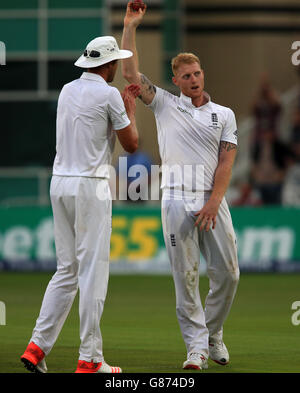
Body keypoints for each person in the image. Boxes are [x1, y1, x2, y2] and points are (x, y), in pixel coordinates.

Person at [121, 3, 239, 370]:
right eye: (186, 75)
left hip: (211, 200)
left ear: (203, 74)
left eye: (197, 73)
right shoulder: (165, 105)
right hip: (175, 200)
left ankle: (212, 333)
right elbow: (129, 73)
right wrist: (130, 26)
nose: (194, 79)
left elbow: (226, 161)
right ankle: (196, 350)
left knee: (229, 274)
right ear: (176, 81)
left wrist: (213, 202)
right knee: (186, 278)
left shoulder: (224, 114)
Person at [20, 36, 140, 373]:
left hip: (60, 183)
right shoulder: (109, 94)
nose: (117, 66)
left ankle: (37, 347)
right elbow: (131, 145)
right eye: (116, 61)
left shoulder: (67, 90)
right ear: (109, 64)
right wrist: (129, 112)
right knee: (92, 272)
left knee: (66, 270)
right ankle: (90, 358)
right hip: (90, 186)